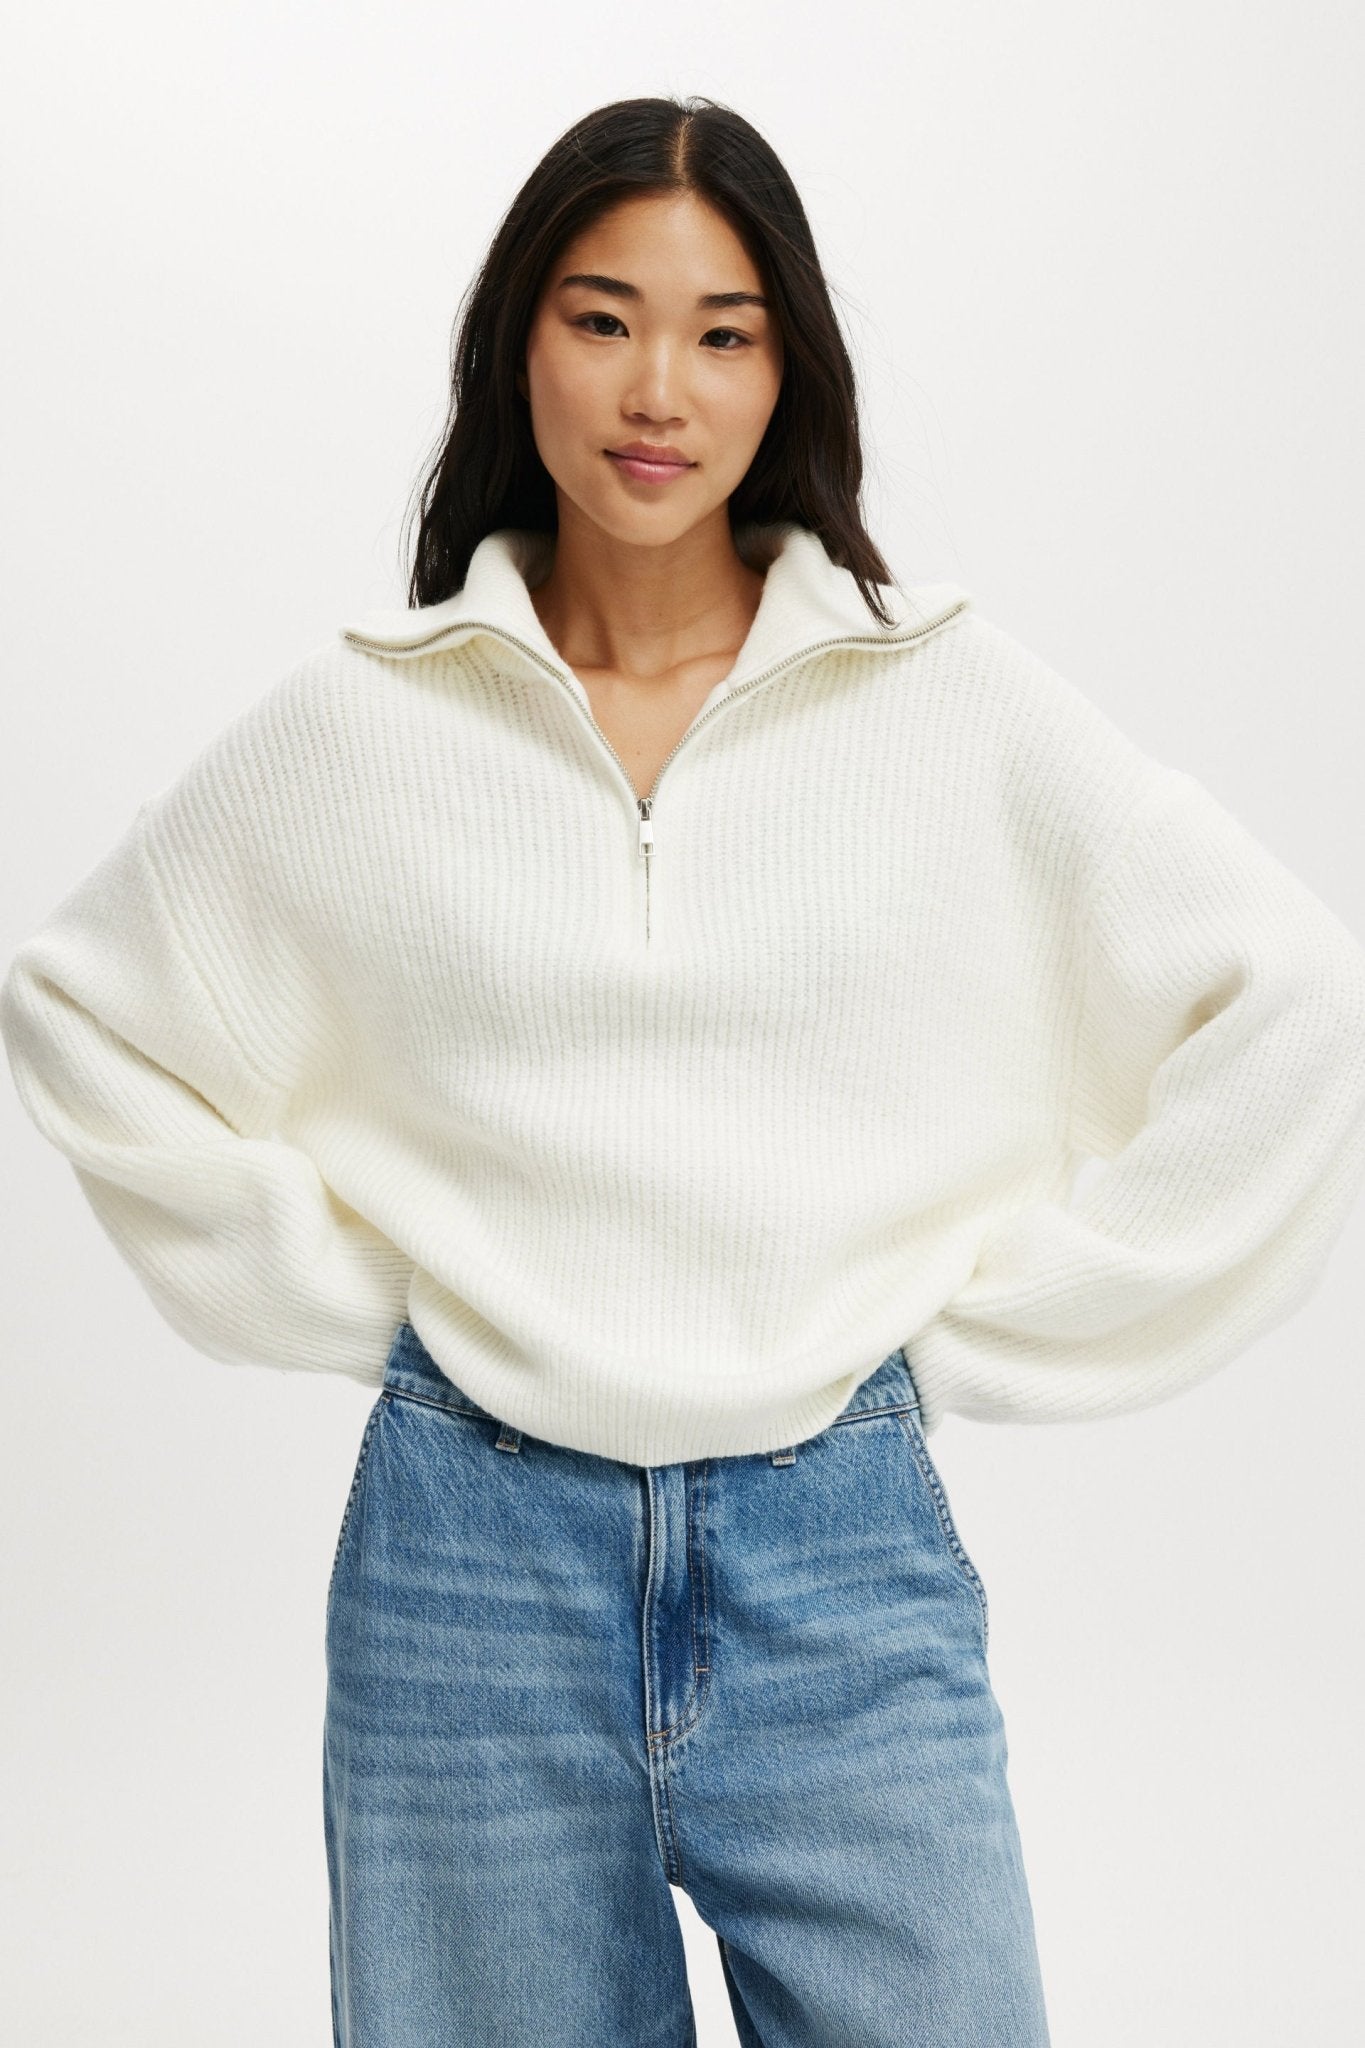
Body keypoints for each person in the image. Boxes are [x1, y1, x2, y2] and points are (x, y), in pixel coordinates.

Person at [4, 93, 1365, 2048]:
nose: (659, 389)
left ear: (784, 367)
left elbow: (1288, 996)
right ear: (518, 343)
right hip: (467, 1573)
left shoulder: (938, 699)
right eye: (602, 318)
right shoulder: (369, 725)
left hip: (840, 1554)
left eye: (723, 331)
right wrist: (378, 1300)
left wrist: (959, 1334)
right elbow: (83, 1003)